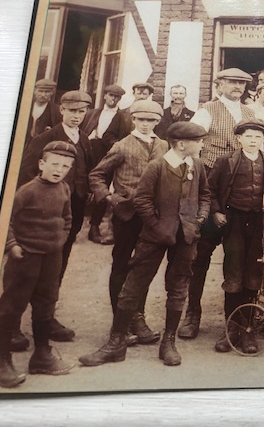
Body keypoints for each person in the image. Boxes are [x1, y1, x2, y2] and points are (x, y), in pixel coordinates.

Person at [79, 122, 210, 367]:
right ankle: (115, 343)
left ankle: (168, 343)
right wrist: (156, 225)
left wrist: (199, 218)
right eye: (199, 140)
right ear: (181, 144)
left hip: (186, 237)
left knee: (178, 287)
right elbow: (142, 200)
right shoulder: (157, 166)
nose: (203, 144)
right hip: (154, 237)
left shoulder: (198, 165)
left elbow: (205, 195)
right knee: (134, 285)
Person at [0, 141, 77, 388]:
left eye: (65, 166)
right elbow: (4, 219)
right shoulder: (27, 191)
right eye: (54, 164)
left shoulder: (64, 189)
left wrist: (59, 240)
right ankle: (2, 363)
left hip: (51, 258)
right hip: (25, 258)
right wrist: (13, 245)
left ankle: (41, 355)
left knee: (46, 304)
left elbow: (67, 218)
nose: (59, 170)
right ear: (42, 164)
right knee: (12, 306)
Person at [179, 68, 256, 340]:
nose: (238, 86)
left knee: (239, 258)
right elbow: (191, 143)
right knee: (200, 255)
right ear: (219, 84)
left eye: (242, 83)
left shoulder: (249, 113)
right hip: (211, 188)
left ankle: (239, 319)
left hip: (240, 195)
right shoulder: (207, 110)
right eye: (232, 82)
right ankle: (192, 313)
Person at [88, 100, 169, 346]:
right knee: (122, 264)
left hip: (151, 216)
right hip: (126, 214)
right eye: (141, 120)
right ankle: (119, 325)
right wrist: (110, 197)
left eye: (151, 120)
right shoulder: (122, 145)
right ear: (133, 120)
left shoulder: (164, 146)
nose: (146, 124)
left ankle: (138, 319)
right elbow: (97, 174)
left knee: (142, 267)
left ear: (158, 122)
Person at [19, 90, 95, 343]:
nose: (77, 116)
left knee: (57, 267)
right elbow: (26, 175)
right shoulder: (45, 138)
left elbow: (88, 171)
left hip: (71, 215)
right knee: (29, 270)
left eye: (81, 112)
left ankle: (46, 318)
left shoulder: (84, 139)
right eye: (72, 111)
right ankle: (13, 326)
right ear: (61, 110)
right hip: (44, 216)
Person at [209, 119, 264, 353]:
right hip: (234, 221)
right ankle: (231, 328)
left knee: (253, 272)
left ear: (263, 140)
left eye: (258, 137)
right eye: (248, 136)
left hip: (259, 222)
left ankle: (248, 329)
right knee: (233, 271)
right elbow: (209, 190)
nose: (253, 141)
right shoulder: (225, 162)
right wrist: (217, 211)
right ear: (239, 138)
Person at [81, 84, 127, 245]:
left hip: (107, 154)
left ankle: (94, 226)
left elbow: (119, 138)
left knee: (101, 189)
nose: (113, 99)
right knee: (82, 186)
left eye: (117, 97)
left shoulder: (123, 116)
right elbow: (83, 131)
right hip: (89, 152)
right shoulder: (93, 113)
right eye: (111, 95)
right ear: (105, 96)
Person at [26, 79, 61, 145]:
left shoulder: (56, 110)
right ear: (35, 91)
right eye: (40, 91)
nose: (43, 94)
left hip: (43, 146)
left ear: (52, 93)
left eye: (47, 92)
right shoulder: (25, 106)